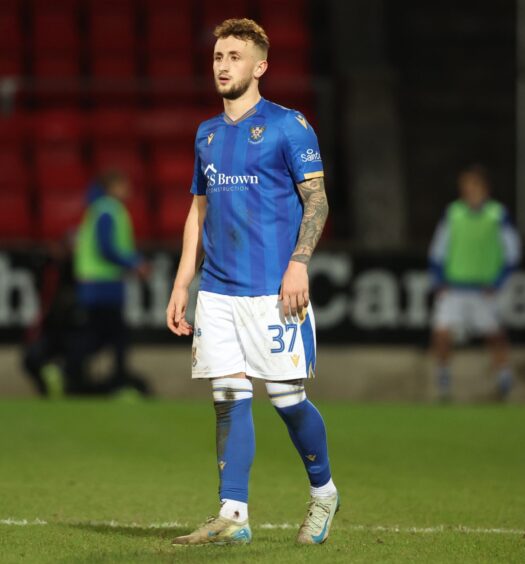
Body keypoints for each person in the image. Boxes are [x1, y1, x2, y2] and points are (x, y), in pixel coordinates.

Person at [166, 18, 338, 546]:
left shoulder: (289, 126)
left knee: (286, 399)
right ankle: (233, 514)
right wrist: (182, 284)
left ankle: (324, 492)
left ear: (260, 66)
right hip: (217, 290)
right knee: (227, 395)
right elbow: (199, 210)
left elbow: (318, 199)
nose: (223, 65)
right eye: (218, 56)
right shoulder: (208, 133)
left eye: (235, 57)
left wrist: (299, 263)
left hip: (274, 290)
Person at [429, 164, 521, 400]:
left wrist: (499, 282)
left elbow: (512, 251)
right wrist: (439, 280)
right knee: (441, 333)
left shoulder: (497, 215)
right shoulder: (453, 213)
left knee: (494, 335)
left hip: (484, 289)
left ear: (484, 188)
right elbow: (438, 249)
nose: (470, 191)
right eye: (466, 187)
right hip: (455, 287)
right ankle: (444, 380)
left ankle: (503, 378)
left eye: (474, 186)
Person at [70, 169, 151, 396]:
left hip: (98, 283)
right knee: (111, 336)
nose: (128, 189)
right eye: (123, 184)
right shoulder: (107, 210)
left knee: (104, 335)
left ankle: (81, 375)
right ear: (112, 187)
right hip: (102, 284)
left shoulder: (99, 209)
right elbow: (106, 248)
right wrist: (134, 262)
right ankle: (111, 379)